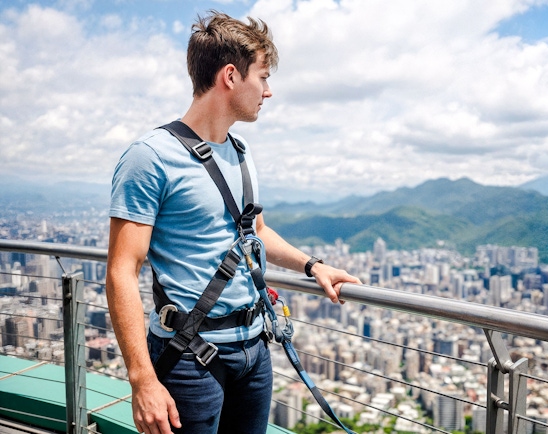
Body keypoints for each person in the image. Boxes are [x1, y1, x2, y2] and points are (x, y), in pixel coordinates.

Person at [106, 11, 361, 434]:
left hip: (254, 349)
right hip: (188, 356)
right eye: (262, 77)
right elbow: (121, 270)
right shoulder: (150, 157)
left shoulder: (240, 153)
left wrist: (313, 266)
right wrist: (143, 379)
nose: (268, 91)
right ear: (230, 76)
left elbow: (255, 232)